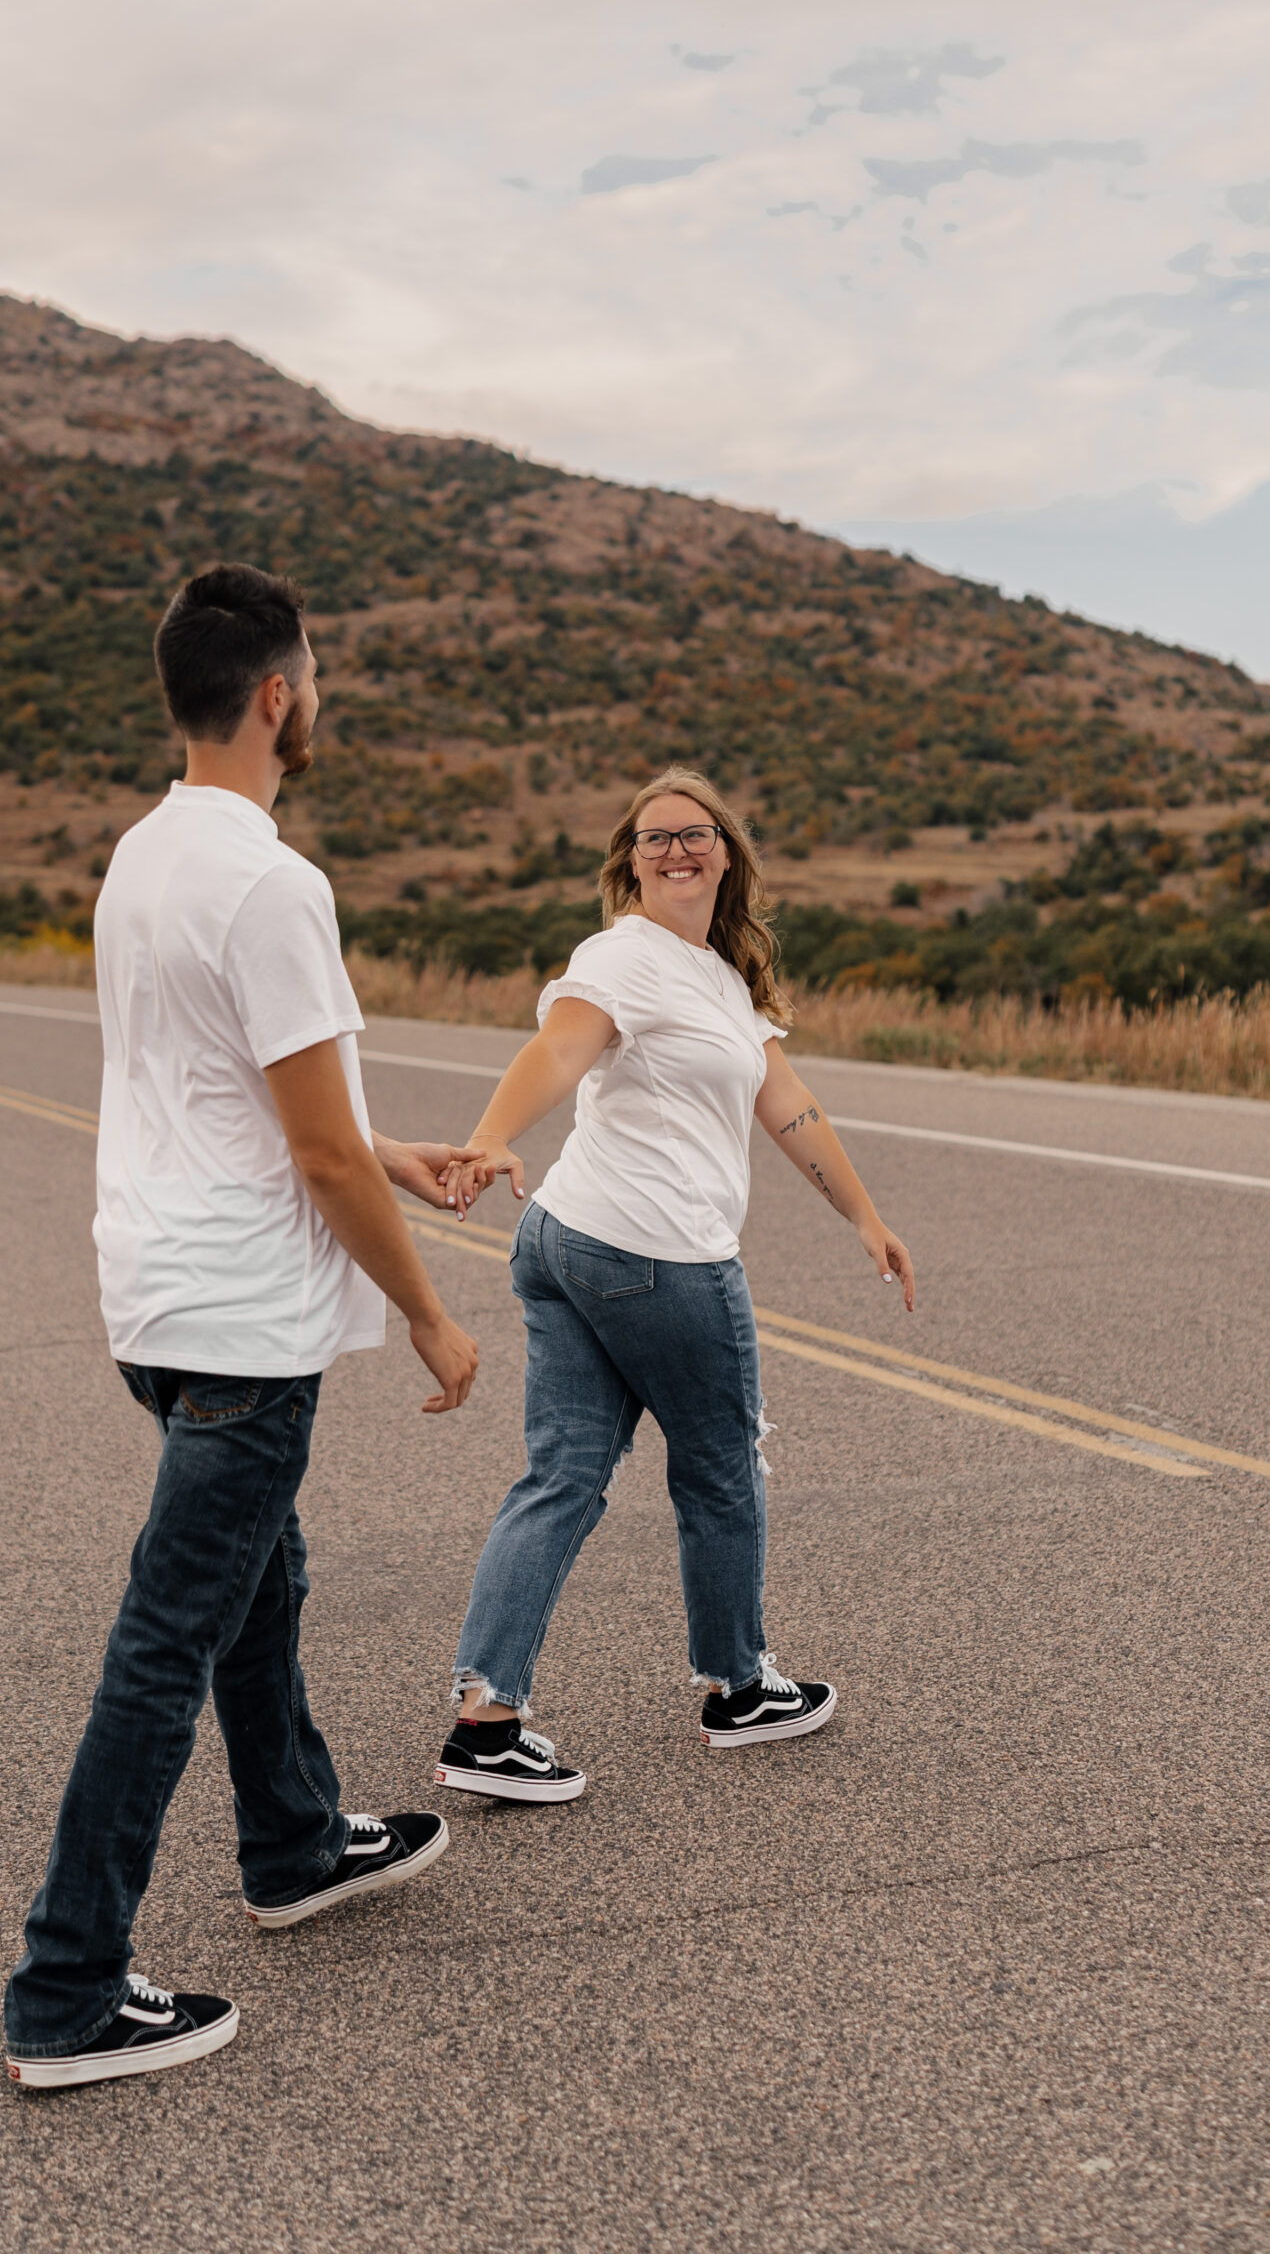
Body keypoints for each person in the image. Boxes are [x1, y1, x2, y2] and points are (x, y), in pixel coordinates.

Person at [4, 562, 478, 2091]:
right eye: (315, 672)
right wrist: (425, 1312)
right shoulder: (272, 883)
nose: (317, 695)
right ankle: (66, 1989)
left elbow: (265, 1106)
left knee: (256, 1579)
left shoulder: (143, 857)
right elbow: (314, 1150)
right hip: (239, 1322)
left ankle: (291, 1840)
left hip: (157, 1293)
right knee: (168, 1637)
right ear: (276, 692)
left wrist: (393, 1153)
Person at [430, 767, 915, 1805]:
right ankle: (739, 1685)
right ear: (632, 861)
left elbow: (789, 1107)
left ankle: (486, 1717)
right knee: (721, 1467)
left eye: (694, 835)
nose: (676, 850)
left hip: (570, 1243)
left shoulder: (722, 979)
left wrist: (864, 1216)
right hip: (655, 1254)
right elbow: (559, 1050)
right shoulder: (622, 957)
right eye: (655, 839)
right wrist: (488, 1137)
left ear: (725, 852)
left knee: (561, 1476)